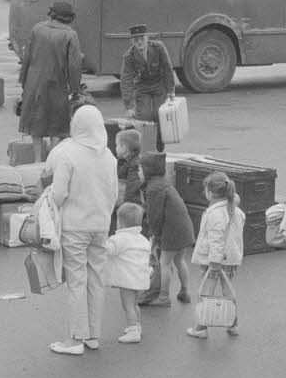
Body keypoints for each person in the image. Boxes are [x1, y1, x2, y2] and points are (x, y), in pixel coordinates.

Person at [46, 103, 119, 355]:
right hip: (100, 226)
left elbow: (58, 194)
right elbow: (114, 194)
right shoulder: (109, 157)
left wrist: (48, 200)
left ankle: (76, 338)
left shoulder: (68, 154)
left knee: (76, 281)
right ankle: (93, 336)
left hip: (74, 227)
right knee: (96, 281)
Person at [19, 0, 83, 162]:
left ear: (52, 13)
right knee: (56, 125)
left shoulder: (37, 29)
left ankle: (37, 160)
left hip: (33, 83)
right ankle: (52, 161)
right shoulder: (70, 35)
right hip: (56, 84)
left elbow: (26, 58)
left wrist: (24, 82)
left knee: (36, 122)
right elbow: (74, 66)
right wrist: (75, 90)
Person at [187, 171, 245, 339]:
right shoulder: (236, 211)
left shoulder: (214, 213)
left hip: (213, 260)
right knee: (228, 289)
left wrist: (214, 261)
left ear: (211, 193)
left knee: (207, 291)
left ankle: (201, 327)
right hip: (231, 258)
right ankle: (233, 324)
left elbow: (216, 239)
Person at [138, 151, 195, 307]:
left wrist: (154, 235)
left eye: (140, 169)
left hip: (172, 231)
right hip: (183, 228)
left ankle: (163, 297)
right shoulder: (162, 182)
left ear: (148, 170)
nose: (138, 172)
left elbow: (155, 216)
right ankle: (185, 291)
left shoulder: (153, 189)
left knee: (164, 262)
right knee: (179, 260)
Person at [120, 24, 176, 153]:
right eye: (136, 40)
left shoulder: (158, 47)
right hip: (142, 87)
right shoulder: (129, 56)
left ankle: (159, 142)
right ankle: (146, 146)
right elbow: (126, 80)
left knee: (159, 114)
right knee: (144, 116)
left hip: (159, 84)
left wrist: (171, 90)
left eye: (142, 38)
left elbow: (167, 67)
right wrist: (129, 106)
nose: (139, 42)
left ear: (147, 38)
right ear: (131, 41)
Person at [105, 202, 151, 345]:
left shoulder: (121, 238)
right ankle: (137, 326)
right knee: (134, 304)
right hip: (140, 278)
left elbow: (109, 250)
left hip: (128, 279)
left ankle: (133, 331)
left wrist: (100, 241)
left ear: (120, 222)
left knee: (127, 305)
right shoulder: (143, 239)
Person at [109, 127, 143, 233]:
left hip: (130, 210)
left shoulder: (134, 165)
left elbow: (132, 190)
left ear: (124, 148)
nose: (116, 148)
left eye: (117, 145)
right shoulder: (128, 162)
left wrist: (123, 209)